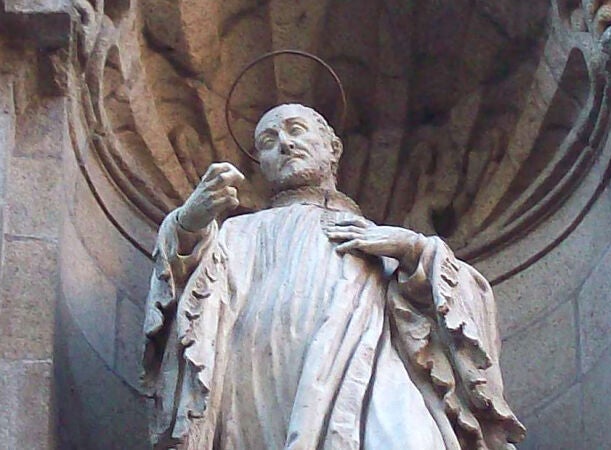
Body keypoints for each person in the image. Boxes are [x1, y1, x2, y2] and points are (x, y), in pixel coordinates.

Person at [142, 104, 525, 450]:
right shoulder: (238, 232)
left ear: (333, 148)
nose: (285, 145)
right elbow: (187, 295)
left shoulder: (378, 237)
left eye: (296, 130)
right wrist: (188, 224)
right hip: (258, 380)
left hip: (367, 366)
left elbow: (462, 310)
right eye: (269, 141)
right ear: (260, 164)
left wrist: (413, 251)